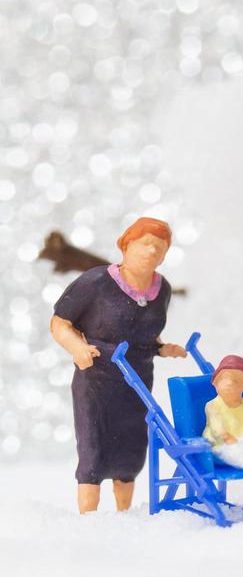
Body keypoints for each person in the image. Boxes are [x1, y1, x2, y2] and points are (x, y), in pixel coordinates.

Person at [50, 217, 187, 513]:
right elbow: (60, 323)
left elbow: (147, 333)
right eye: (145, 244)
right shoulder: (96, 282)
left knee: (132, 452)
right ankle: (88, 522)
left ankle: (123, 516)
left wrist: (163, 348)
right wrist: (77, 347)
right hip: (97, 380)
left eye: (159, 247)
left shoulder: (161, 289)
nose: (152, 252)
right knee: (93, 453)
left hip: (138, 382)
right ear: (126, 245)